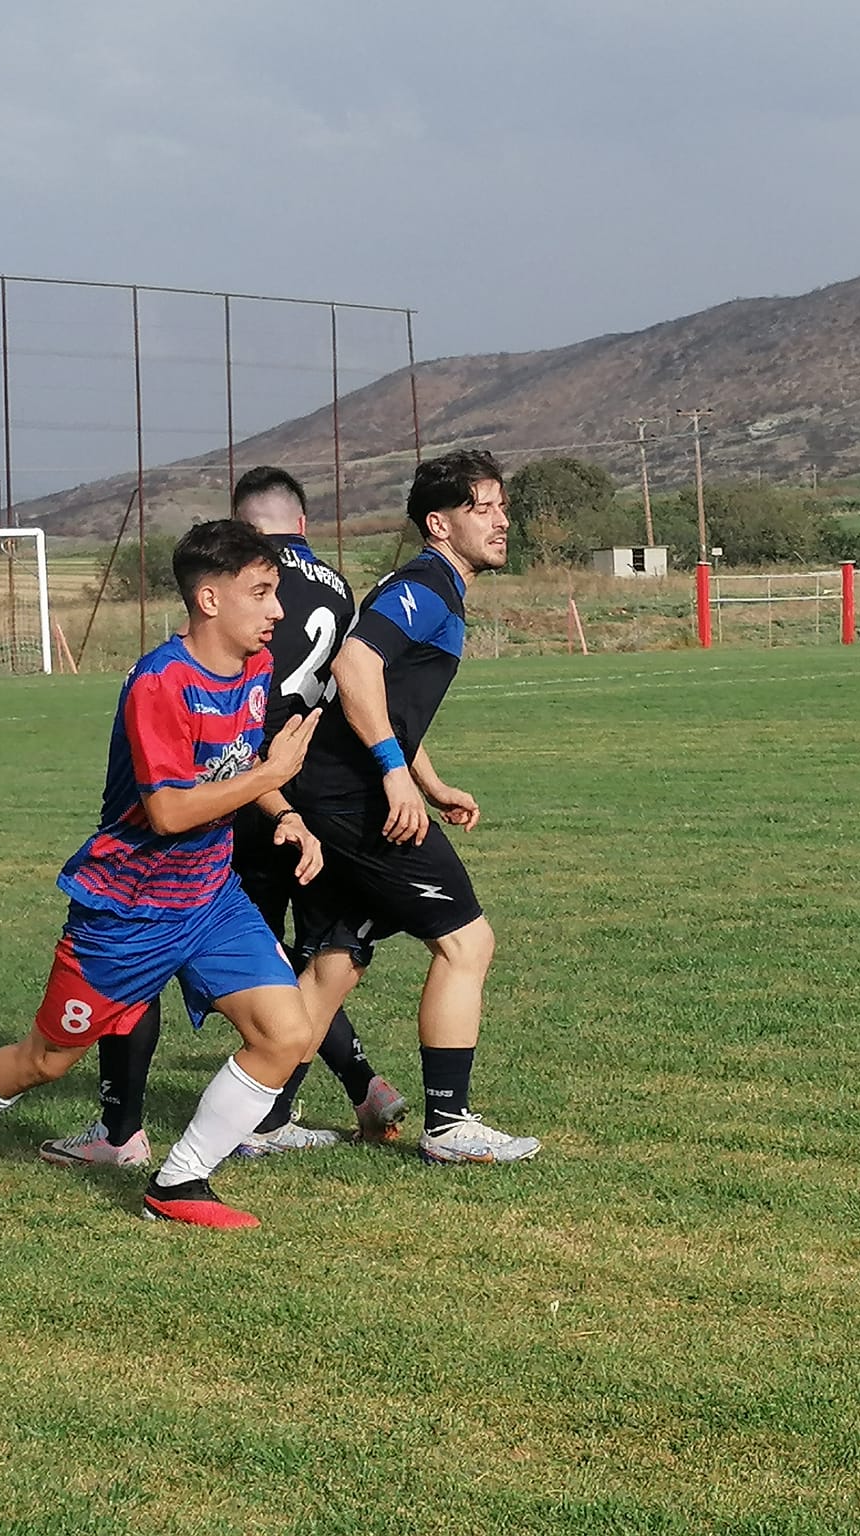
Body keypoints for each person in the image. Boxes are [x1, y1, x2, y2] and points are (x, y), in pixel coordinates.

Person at [0, 519, 329, 1229]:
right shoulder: (160, 682)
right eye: (263, 593)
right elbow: (168, 813)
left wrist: (282, 808)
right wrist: (275, 774)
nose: (278, 610)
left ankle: (179, 1183)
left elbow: (236, 769)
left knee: (288, 1033)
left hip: (211, 899)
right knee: (44, 1062)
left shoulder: (254, 667)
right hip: (126, 913)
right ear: (209, 599)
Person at [37, 466, 407, 1171]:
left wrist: (271, 787)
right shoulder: (333, 587)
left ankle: (138, 1137)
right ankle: (341, 1091)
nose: (273, 608)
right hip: (300, 793)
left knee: (214, 978)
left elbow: (211, 769)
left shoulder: (235, 638)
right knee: (293, 965)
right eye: (262, 593)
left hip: (234, 810)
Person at [294, 447, 539, 1165]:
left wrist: (426, 779)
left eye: (501, 507)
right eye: (482, 509)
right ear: (439, 524)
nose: (500, 522)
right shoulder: (426, 582)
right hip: (356, 795)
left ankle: (262, 1116)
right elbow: (354, 665)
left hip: (338, 788)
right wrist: (395, 776)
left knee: (336, 959)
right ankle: (449, 1123)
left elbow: (384, 700)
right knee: (468, 942)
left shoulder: (436, 586)